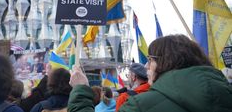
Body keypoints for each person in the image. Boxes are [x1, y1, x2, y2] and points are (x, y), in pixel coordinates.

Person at [68, 34, 232, 112]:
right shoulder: (226, 94)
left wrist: (81, 90)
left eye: (151, 59)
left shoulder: (140, 105)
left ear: (166, 61)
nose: (146, 66)